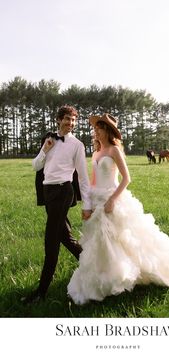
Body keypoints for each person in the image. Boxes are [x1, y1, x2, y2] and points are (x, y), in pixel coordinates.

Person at [67, 113, 169, 305]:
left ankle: (121, 274)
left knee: (121, 239)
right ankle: (102, 273)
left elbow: (126, 179)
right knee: (100, 241)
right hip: (97, 200)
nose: (96, 131)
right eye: (95, 129)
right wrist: (89, 204)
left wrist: (111, 200)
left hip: (113, 199)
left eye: (99, 128)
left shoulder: (114, 151)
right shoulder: (96, 152)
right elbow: (93, 181)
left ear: (108, 131)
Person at [22, 105, 91, 304]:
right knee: (66, 238)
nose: (71, 123)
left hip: (63, 191)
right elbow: (36, 165)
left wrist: (86, 204)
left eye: (74, 120)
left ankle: (41, 292)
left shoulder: (77, 145)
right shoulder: (49, 140)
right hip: (48, 192)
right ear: (59, 120)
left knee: (51, 240)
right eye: (67, 119)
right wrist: (45, 149)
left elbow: (83, 178)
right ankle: (94, 267)